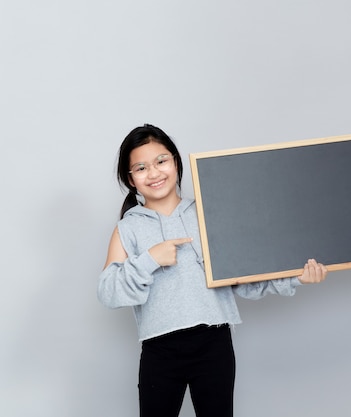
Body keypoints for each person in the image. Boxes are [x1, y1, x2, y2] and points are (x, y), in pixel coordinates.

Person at [97, 124, 327, 417]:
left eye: (161, 161)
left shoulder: (211, 214)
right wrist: (150, 259)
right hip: (160, 350)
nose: (153, 173)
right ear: (130, 179)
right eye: (141, 168)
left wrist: (296, 277)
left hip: (214, 344)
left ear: (176, 163)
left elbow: (244, 280)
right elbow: (107, 292)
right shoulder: (128, 227)